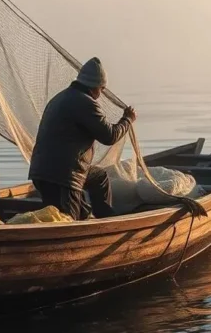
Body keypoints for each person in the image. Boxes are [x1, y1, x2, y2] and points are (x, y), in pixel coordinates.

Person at [28, 57, 137, 220]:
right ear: (96, 87)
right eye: (102, 89)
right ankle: (85, 229)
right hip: (61, 177)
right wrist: (127, 119)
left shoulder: (61, 97)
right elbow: (109, 136)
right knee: (67, 224)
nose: (101, 94)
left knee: (99, 177)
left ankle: (105, 220)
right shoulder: (85, 103)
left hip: (42, 170)